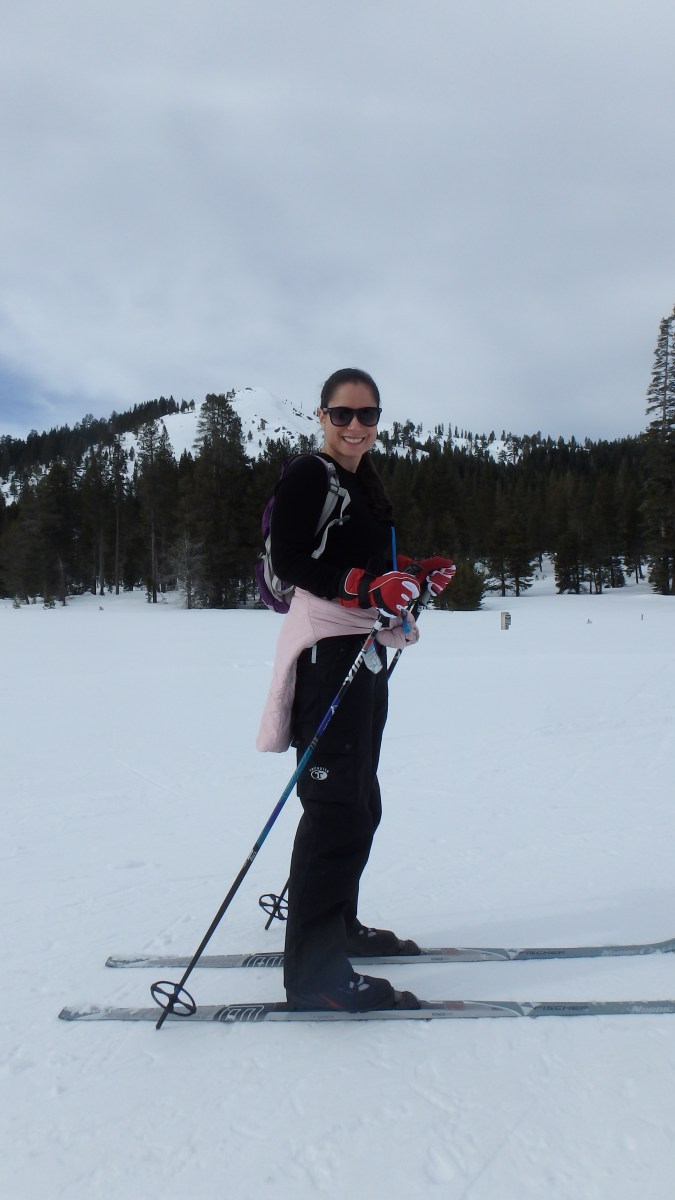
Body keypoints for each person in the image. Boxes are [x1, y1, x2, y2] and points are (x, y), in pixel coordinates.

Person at [259, 367, 455, 1011]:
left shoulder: (363, 483)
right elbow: (290, 559)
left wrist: (410, 574)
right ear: (322, 416)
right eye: (342, 414)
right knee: (336, 808)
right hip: (326, 652)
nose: (354, 426)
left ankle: (337, 926)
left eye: (366, 415)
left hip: (361, 648)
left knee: (359, 802)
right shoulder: (309, 474)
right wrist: (365, 586)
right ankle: (314, 974)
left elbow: (364, 565)